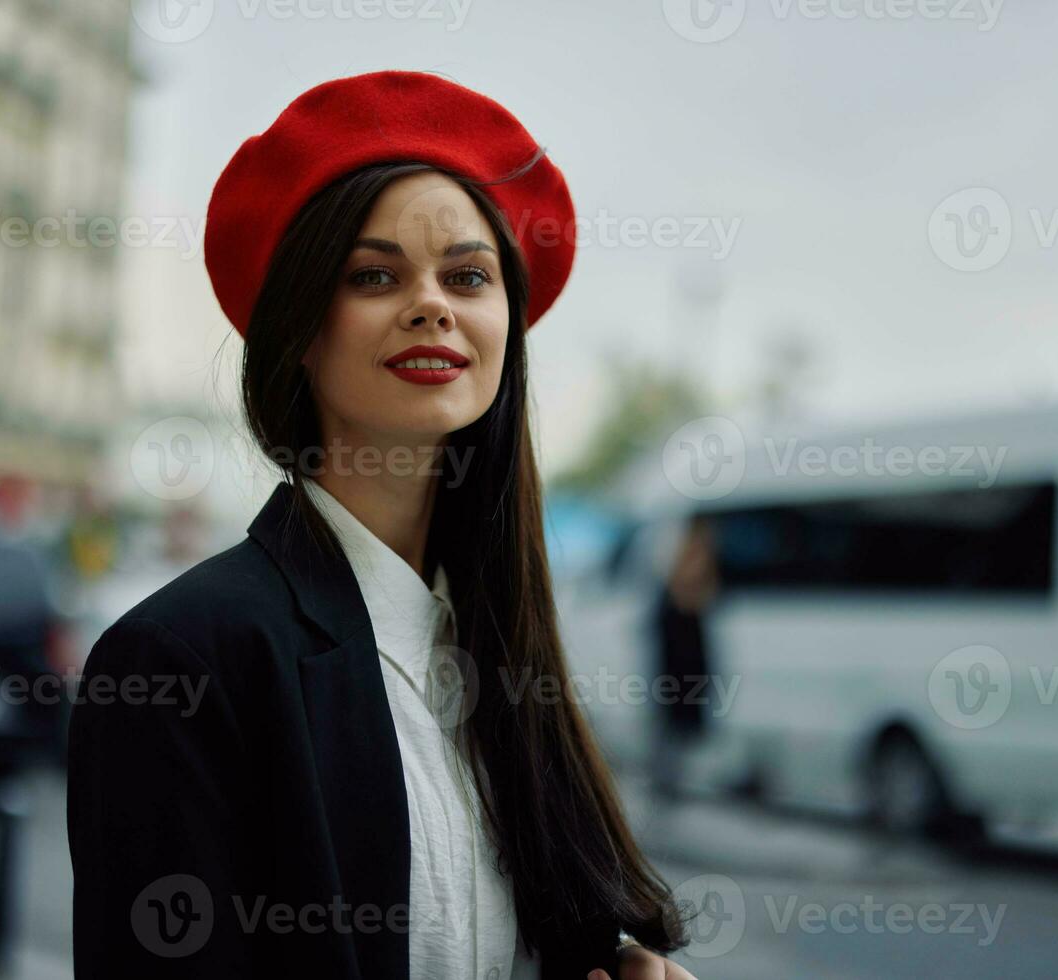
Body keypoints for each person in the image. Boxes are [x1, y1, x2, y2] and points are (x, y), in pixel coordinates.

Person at [66, 71, 700, 980]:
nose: (432, 302)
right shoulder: (180, 661)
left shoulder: (501, 645)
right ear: (301, 332)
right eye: (374, 274)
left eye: (468, 274)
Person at [649, 514, 721, 803]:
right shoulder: (675, 593)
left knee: (680, 730)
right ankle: (669, 783)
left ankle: (672, 782)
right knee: (673, 729)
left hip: (685, 672)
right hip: (677, 673)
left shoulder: (692, 585)